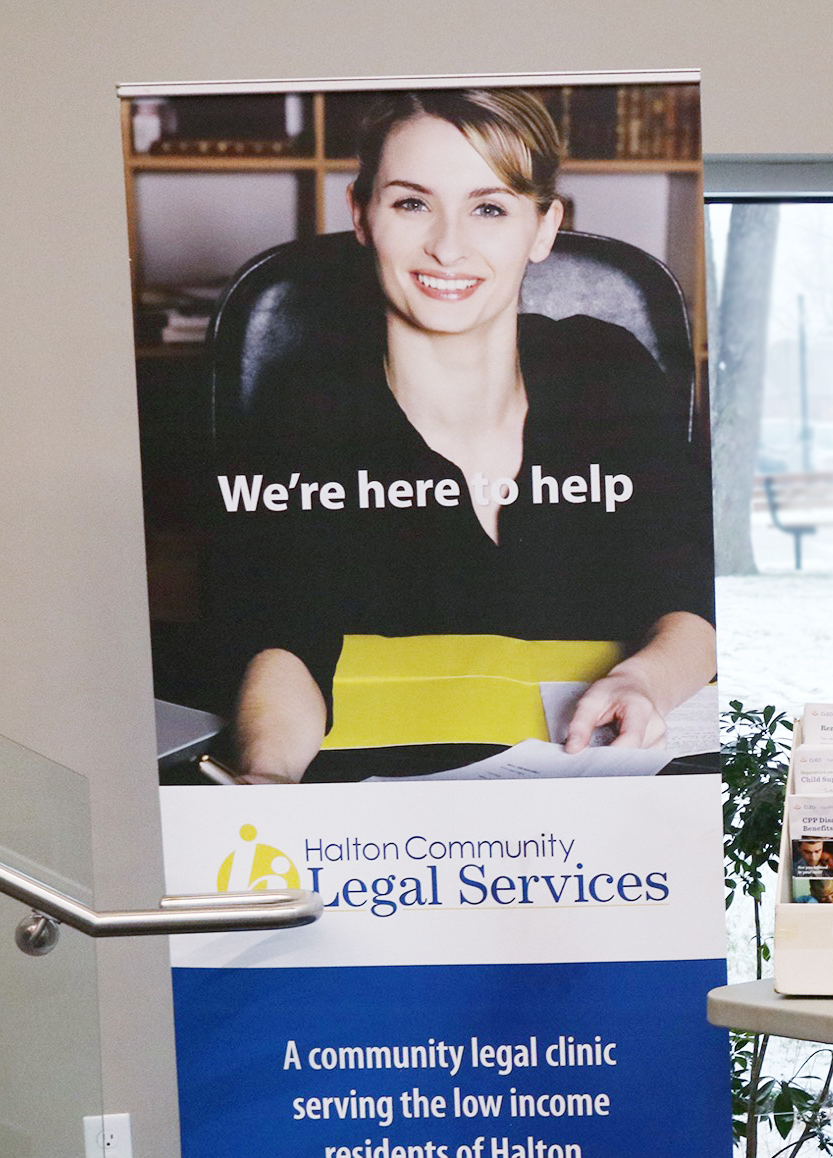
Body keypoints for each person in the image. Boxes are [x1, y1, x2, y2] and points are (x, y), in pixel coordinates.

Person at [219, 88, 716, 782]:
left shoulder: (608, 373)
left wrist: (645, 683)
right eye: (411, 203)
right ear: (361, 215)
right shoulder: (307, 406)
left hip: (603, 796)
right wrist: (270, 779)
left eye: (489, 208)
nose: (449, 248)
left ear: (543, 228)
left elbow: (692, 598)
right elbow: (284, 640)